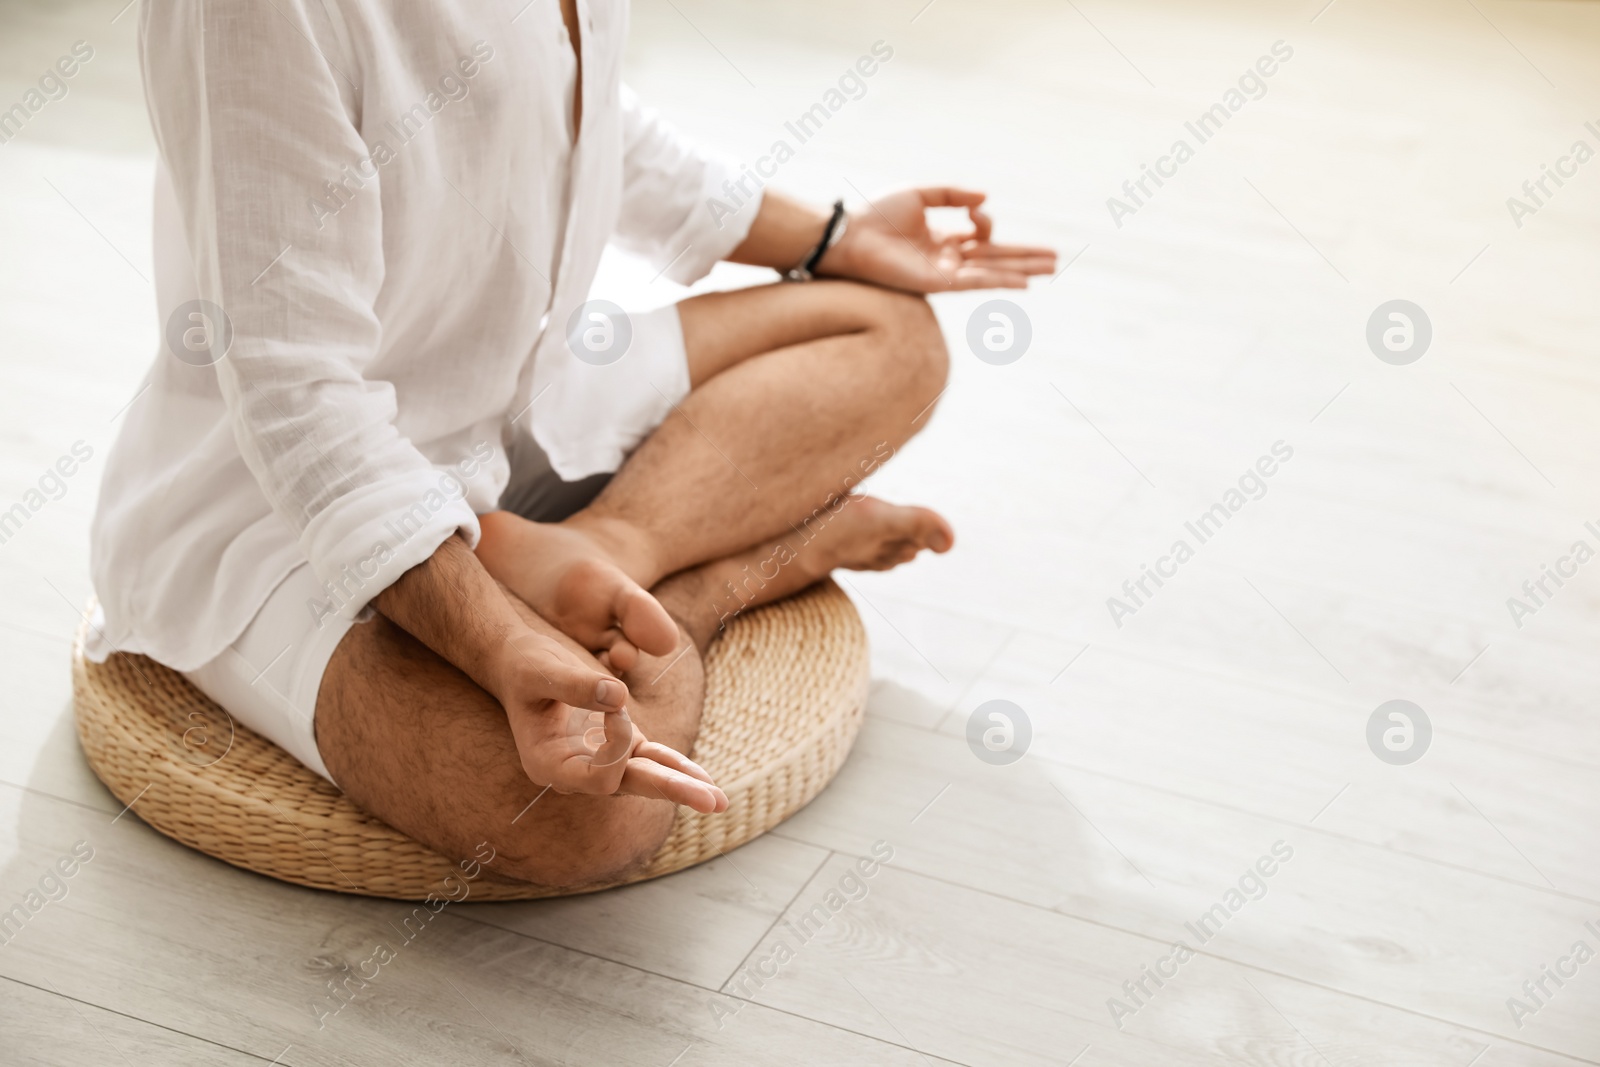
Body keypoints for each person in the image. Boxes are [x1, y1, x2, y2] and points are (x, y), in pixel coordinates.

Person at [90, 0, 1056, 887]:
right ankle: (729, 576)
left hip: (513, 393)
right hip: (270, 507)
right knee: (590, 816)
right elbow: (294, 394)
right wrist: (502, 642)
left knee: (891, 334)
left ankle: (606, 546)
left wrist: (831, 235)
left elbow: (577, 115)